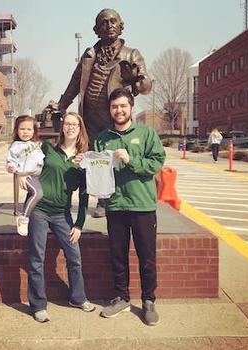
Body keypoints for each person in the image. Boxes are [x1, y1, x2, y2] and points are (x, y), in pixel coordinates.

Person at [54, 8, 152, 218]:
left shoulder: (131, 54)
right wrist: (61, 105)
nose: (109, 25)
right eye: (104, 22)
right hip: (89, 116)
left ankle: (105, 200)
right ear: (96, 29)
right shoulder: (90, 54)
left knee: (111, 159)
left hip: (114, 117)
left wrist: (135, 77)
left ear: (121, 26)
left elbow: (145, 86)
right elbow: (74, 83)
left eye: (113, 21)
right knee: (89, 158)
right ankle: (87, 198)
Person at [94, 88, 166, 326]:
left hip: (142, 205)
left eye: (123, 106)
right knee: (118, 256)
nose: (119, 110)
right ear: (110, 109)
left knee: (147, 257)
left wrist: (130, 159)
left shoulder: (146, 133)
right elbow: (97, 170)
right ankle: (122, 297)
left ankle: (148, 300)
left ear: (131, 108)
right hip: (115, 206)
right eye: (115, 106)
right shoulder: (102, 137)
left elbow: (156, 162)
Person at [25, 112, 96, 323]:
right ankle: (38, 305)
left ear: (80, 128)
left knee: (74, 256)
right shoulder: (48, 149)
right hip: (39, 209)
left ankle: (78, 297)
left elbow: (84, 194)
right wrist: (21, 176)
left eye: (75, 124)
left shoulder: (83, 158)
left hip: (61, 214)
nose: (71, 127)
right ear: (62, 126)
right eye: (67, 123)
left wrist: (80, 224)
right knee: (37, 258)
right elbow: (26, 160)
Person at [6, 115, 45, 236]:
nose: (26, 132)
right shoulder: (16, 146)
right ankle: (24, 218)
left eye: (29, 129)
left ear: (34, 131)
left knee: (34, 194)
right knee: (38, 193)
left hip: (37, 176)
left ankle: (29, 217)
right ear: (17, 130)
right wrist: (13, 169)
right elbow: (10, 160)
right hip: (26, 176)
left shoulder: (36, 144)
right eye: (22, 129)